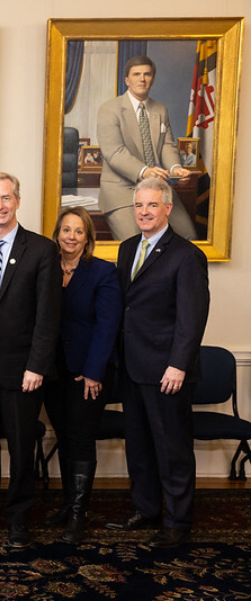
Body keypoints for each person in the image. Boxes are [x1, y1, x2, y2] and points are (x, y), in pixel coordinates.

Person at [105, 177, 209, 548]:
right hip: (132, 368)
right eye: (138, 206)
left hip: (167, 371)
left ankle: (177, 523)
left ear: (167, 208)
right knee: (139, 446)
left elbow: (191, 317)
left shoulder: (186, 255)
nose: (144, 212)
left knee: (172, 449)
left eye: (152, 205)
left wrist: (178, 365)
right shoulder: (128, 247)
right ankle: (146, 509)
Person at [0, 172, 61, 548]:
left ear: (17, 201)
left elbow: (48, 316)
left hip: (23, 368)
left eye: (6, 198)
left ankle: (18, 517)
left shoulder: (40, 249)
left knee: (20, 445)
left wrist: (37, 365)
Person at [43, 206, 121, 543]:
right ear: (57, 233)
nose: (71, 237)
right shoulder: (46, 269)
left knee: (81, 437)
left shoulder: (103, 272)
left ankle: (78, 513)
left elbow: (107, 326)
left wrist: (93, 372)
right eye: (66, 230)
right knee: (63, 435)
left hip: (88, 372)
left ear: (88, 237)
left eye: (78, 231)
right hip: (53, 371)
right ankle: (66, 504)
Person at [97, 55, 196, 241]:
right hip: (122, 192)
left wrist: (175, 168)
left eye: (147, 74)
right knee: (136, 244)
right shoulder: (109, 109)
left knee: (189, 237)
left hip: (157, 190)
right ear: (127, 80)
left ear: (153, 78)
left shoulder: (160, 109)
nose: (142, 79)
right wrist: (145, 172)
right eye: (136, 74)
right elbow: (115, 153)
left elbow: (167, 144)